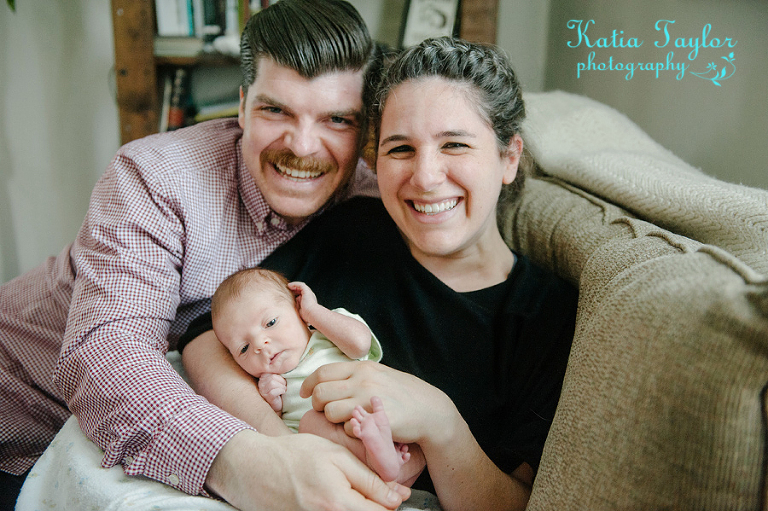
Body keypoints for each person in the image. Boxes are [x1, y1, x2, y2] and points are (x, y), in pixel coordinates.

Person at [0, 1, 412, 510]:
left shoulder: (373, 204)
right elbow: (108, 355)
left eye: (337, 119)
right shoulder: (155, 178)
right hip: (16, 415)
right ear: (241, 105)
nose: (304, 146)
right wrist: (254, 462)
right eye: (275, 110)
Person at [181, 37, 579, 511]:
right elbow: (207, 338)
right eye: (400, 149)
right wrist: (282, 452)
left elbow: (518, 503)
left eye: (454, 144)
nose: (426, 176)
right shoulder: (352, 233)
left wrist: (440, 423)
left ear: (508, 158)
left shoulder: (547, 315)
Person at [210, 267, 412, 483]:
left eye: (270, 323)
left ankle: (381, 456)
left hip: (377, 416)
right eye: (244, 348)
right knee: (309, 423)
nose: (260, 344)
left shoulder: (328, 333)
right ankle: (378, 461)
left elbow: (361, 345)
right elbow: (273, 429)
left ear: (298, 307)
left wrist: (314, 312)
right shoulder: (265, 384)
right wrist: (273, 404)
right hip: (335, 459)